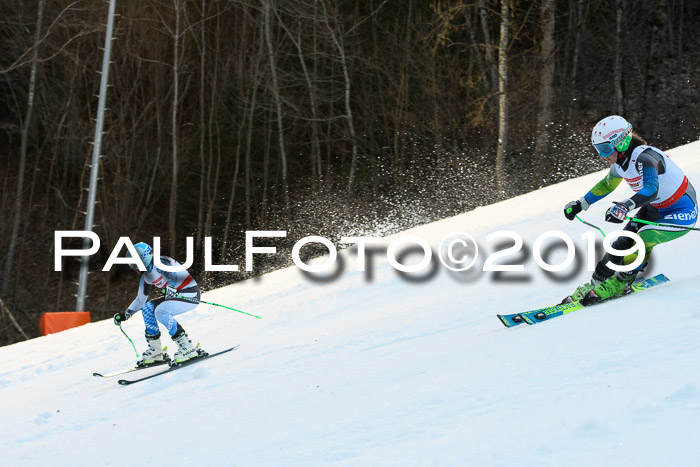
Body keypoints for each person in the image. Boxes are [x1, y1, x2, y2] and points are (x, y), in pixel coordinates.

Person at [563, 115, 697, 304]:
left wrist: (625, 205)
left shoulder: (645, 157)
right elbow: (607, 185)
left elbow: (651, 189)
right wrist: (581, 204)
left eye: (604, 149)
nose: (602, 155)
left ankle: (622, 281)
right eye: (598, 150)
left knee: (642, 238)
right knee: (620, 244)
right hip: (656, 208)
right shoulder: (620, 164)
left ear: (621, 142)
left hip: (682, 211)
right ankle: (597, 282)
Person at [113, 242, 205, 365]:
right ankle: (156, 352)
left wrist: (171, 287)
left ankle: (187, 348)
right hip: (175, 297)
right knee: (147, 308)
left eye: (135, 264)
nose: (134, 268)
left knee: (161, 311)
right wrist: (126, 314)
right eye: (131, 264)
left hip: (189, 294)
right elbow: (141, 300)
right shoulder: (146, 276)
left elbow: (173, 275)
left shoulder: (162, 262)